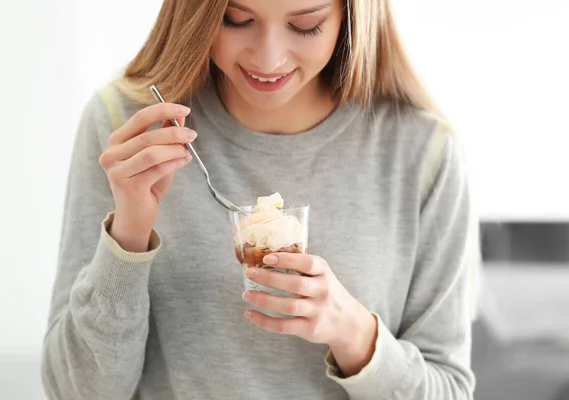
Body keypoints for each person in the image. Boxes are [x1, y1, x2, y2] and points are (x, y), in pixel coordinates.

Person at [41, 0, 478, 399]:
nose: (268, 59)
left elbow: (450, 389)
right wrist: (128, 235)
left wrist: (353, 334)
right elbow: (76, 392)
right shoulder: (128, 129)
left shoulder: (423, 154)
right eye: (237, 19)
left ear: (351, 15)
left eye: (306, 25)